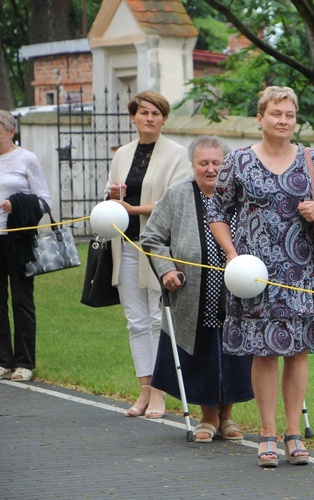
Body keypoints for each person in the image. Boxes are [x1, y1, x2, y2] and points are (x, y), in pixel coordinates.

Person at [207, 86, 314, 467]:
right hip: (254, 277)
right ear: (260, 118)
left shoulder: (312, 160)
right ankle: (267, 435)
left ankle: (293, 434)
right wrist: (233, 255)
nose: (283, 120)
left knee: (298, 352)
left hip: (302, 274)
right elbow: (216, 212)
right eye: (276, 114)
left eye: (289, 114)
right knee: (264, 352)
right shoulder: (237, 161)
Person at [141, 135, 254, 443]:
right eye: (203, 163)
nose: (210, 169)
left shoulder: (241, 196)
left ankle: (227, 416)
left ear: (226, 165)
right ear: (192, 165)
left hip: (237, 292)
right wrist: (166, 270)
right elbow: (152, 238)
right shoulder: (177, 195)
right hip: (193, 293)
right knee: (204, 353)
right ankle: (208, 417)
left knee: (234, 353)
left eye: (216, 162)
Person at [105, 91, 191, 419]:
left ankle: (159, 392)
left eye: (156, 113)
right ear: (134, 117)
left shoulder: (177, 154)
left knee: (159, 320)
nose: (149, 118)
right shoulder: (123, 153)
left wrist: (133, 208)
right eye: (143, 112)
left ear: (164, 118)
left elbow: (174, 203)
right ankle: (143, 389)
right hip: (125, 244)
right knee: (136, 321)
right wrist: (112, 196)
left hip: (159, 248)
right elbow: (110, 197)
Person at [0, 110, 53, 382]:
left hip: (17, 239)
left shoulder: (27, 159)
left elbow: (45, 201)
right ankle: (3, 360)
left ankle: (24, 362)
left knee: (21, 299)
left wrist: (17, 204)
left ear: (11, 131)